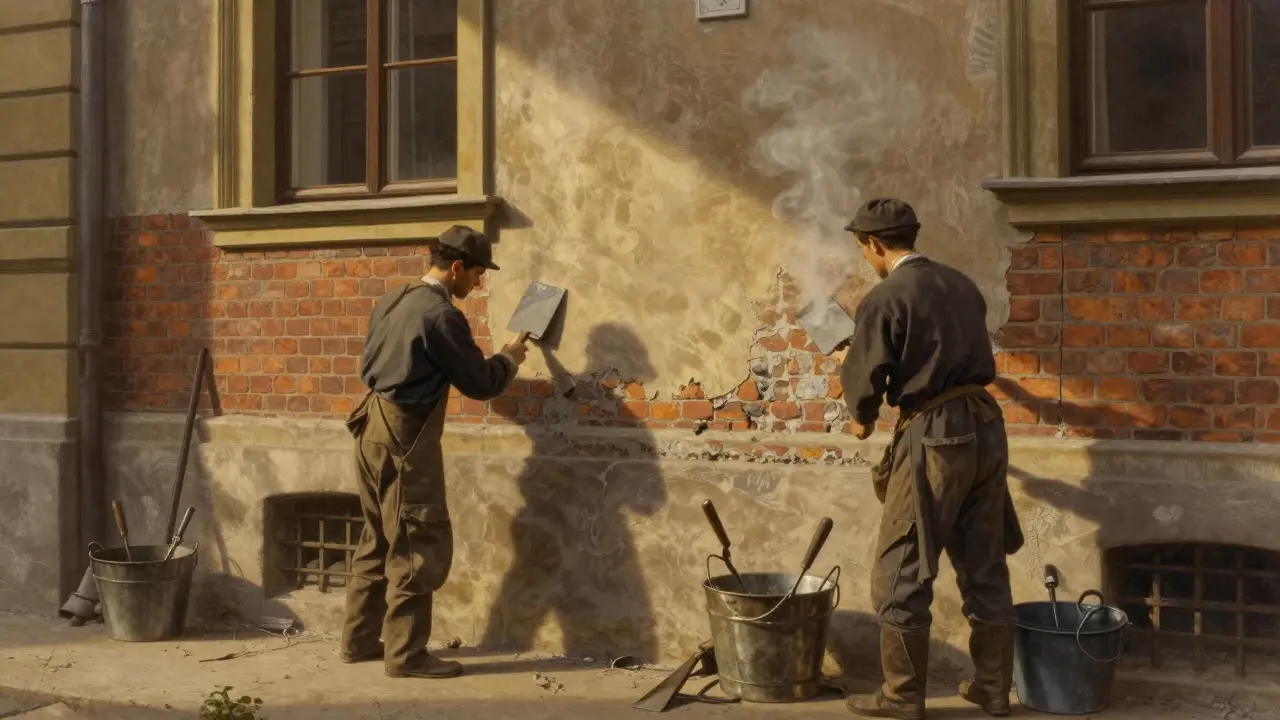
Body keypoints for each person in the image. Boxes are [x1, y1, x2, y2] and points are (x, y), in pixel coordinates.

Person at [837, 199, 1024, 718]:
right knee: (984, 566)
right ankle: (992, 689)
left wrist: (862, 413)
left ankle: (900, 697)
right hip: (986, 426)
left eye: (862, 248)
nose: (865, 257)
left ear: (875, 245)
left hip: (936, 434)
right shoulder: (961, 284)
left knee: (900, 571)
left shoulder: (885, 296)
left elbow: (865, 391)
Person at [339, 225, 528, 679]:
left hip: (369, 426)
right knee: (414, 540)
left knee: (376, 538)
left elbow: (367, 364)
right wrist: (508, 359)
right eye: (478, 275)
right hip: (405, 437)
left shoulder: (395, 298)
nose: (478, 285)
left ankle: (358, 641)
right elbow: (479, 384)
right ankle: (406, 656)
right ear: (457, 267)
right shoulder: (441, 315)